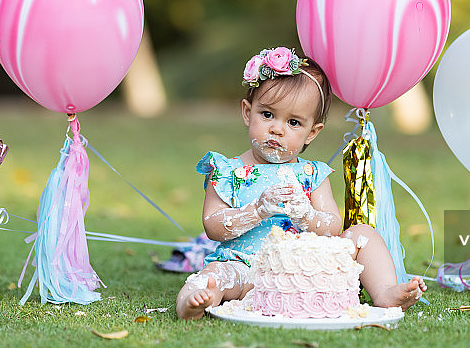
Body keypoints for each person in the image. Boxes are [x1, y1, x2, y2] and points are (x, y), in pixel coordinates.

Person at [176, 46, 427, 319]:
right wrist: (257, 210)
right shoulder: (227, 171)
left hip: (304, 269)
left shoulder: (312, 174)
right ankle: (195, 301)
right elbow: (213, 225)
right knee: (216, 274)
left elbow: (332, 226)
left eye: (294, 122)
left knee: (363, 235)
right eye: (267, 115)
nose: (277, 129)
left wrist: (306, 215)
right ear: (247, 112)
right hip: (247, 268)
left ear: (312, 132)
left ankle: (385, 291)